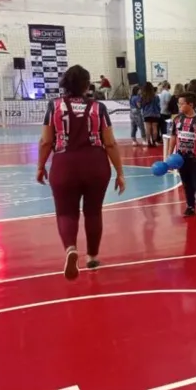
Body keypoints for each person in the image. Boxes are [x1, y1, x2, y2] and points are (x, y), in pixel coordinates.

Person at [36, 65, 125, 281]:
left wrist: (40, 166)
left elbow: (46, 140)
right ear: (87, 85)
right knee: (94, 212)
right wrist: (119, 172)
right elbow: (110, 143)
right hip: (95, 164)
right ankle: (92, 256)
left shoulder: (54, 106)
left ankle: (70, 249)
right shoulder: (99, 108)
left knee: (66, 212)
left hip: (65, 164)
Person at [168, 92, 196, 220]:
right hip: (181, 159)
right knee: (186, 184)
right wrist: (169, 154)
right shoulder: (177, 119)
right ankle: (190, 206)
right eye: (179, 103)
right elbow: (173, 137)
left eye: (182, 103)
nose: (179, 106)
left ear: (190, 104)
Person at [140, 82, 161, 147]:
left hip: (147, 114)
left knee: (148, 128)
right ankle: (154, 142)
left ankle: (148, 142)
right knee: (155, 128)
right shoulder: (156, 96)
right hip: (155, 114)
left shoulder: (143, 96)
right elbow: (158, 105)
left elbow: (142, 106)